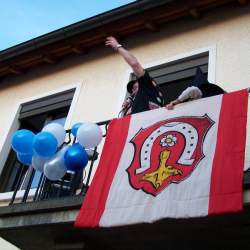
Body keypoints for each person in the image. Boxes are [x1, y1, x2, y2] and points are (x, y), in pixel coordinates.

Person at [105, 36, 164, 117]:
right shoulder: (132, 104)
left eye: (136, 87)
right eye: (132, 89)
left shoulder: (147, 86)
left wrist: (118, 46)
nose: (133, 91)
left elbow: (134, 64)